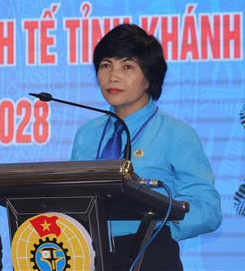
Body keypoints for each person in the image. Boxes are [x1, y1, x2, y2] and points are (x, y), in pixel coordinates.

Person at [70, 24, 222, 270]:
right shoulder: (86, 135)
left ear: (149, 77)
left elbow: (208, 210)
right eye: (106, 65)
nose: (113, 76)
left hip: (150, 253)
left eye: (127, 67)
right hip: (91, 257)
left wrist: (160, 225)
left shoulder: (175, 134)